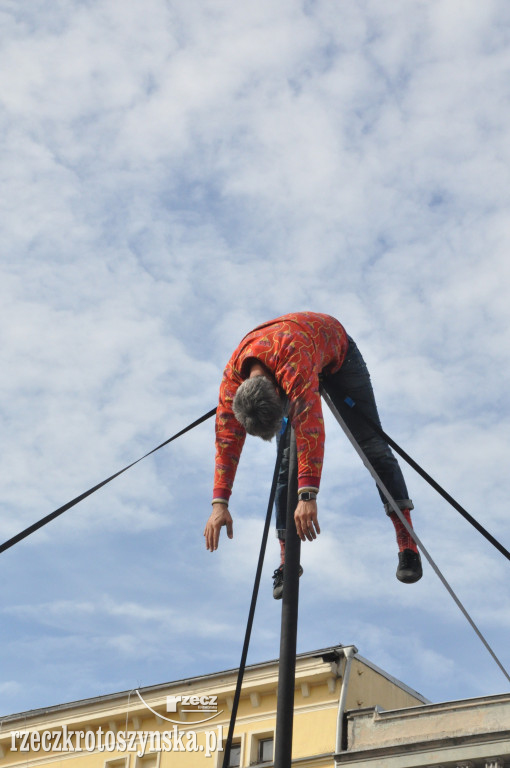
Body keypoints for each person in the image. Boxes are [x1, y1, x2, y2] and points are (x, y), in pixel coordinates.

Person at [204, 312, 422, 596]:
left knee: (372, 445)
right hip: (292, 349)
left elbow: (310, 428)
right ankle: (287, 561)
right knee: (286, 464)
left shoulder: (293, 365)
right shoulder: (231, 383)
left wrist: (308, 496)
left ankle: (407, 543)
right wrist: (219, 503)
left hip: (334, 350)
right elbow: (226, 440)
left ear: (279, 393)